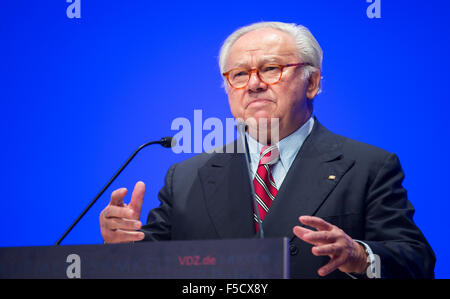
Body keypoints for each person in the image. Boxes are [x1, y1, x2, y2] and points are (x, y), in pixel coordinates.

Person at [99, 22, 435, 278]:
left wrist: (361, 256)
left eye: (271, 69)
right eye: (240, 74)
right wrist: (124, 248)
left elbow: (417, 260)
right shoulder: (186, 177)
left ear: (313, 82)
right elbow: (154, 264)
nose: (255, 83)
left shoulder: (368, 166)